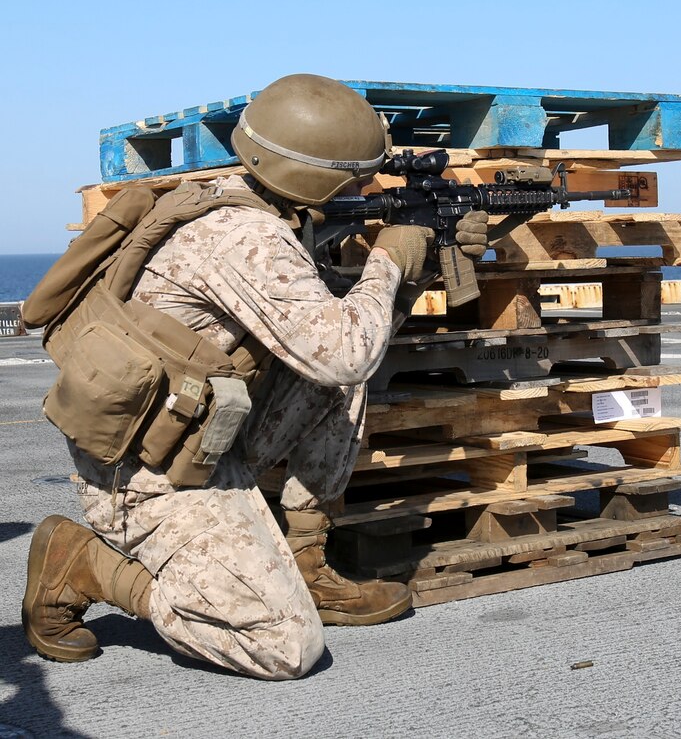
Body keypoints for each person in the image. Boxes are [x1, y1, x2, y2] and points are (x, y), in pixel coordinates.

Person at [21, 74, 488, 680]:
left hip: (201, 429)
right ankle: (82, 563)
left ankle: (306, 561)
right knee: (282, 647)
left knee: (334, 380)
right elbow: (345, 349)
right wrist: (389, 259)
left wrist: (417, 265)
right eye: (359, 176)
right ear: (320, 178)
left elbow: (339, 345)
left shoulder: (249, 203)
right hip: (147, 472)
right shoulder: (246, 236)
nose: (370, 186)